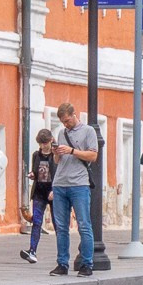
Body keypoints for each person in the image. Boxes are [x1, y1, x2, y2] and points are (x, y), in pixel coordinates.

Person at [52, 102, 98, 276]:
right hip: (60, 183)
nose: (66, 124)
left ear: (74, 114)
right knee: (61, 227)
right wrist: (57, 153)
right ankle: (62, 263)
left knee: (84, 225)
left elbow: (93, 155)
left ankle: (87, 263)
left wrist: (72, 151)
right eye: (63, 122)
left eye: (67, 120)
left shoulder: (88, 131)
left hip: (79, 184)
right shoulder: (61, 133)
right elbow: (57, 162)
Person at [20, 128, 55, 263]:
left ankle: (62, 254)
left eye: (45, 143)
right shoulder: (36, 155)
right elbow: (36, 171)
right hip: (39, 192)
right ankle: (32, 251)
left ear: (51, 140)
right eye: (40, 144)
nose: (43, 146)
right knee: (37, 222)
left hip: (53, 191)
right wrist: (32, 174)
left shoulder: (55, 155)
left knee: (58, 223)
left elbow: (59, 173)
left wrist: (56, 190)